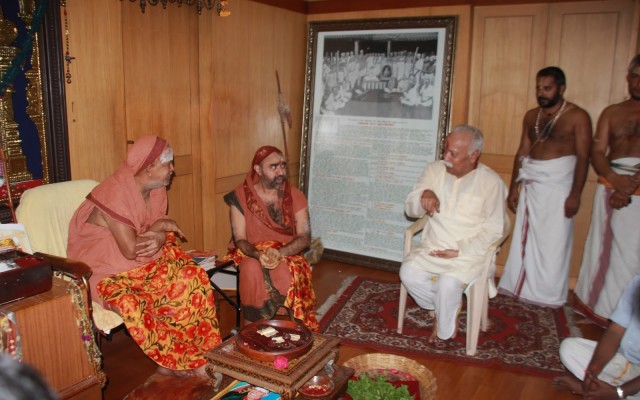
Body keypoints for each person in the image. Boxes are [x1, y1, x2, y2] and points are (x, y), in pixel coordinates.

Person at [67, 135, 221, 378]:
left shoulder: (156, 189)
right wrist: (161, 229)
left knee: (192, 276)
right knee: (137, 300)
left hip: (141, 265)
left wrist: (160, 232)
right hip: (107, 274)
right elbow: (132, 249)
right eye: (168, 164)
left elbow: (154, 230)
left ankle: (198, 353)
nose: (173, 170)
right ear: (149, 168)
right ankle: (173, 361)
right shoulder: (114, 193)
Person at [399, 125, 508, 343]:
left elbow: (495, 229)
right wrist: (423, 195)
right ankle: (444, 307)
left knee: (448, 284)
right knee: (408, 274)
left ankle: (443, 328)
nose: (446, 157)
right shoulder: (434, 170)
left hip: (467, 255)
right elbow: (410, 209)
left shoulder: (491, 182)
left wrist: (461, 250)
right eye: (445, 150)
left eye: (454, 154)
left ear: (473, 155)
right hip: (433, 247)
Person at [498, 66, 592, 308]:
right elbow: (522, 152)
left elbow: (583, 157)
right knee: (524, 240)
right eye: (538, 87)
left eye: (547, 88)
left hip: (559, 188)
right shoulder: (531, 116)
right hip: (531, 185)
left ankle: (548, 295)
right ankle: (520, 289)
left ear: (561, 88)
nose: (541, 92)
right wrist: (513, 187)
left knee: (554, 243)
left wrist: (575, 195)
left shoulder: (578, 117)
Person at [573, 54, 640, 326]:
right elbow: (597, 151)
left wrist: (631, 184)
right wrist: (615, 178)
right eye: (635, 76)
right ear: (628, 77)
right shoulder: (613, 112)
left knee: (631, 254)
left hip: (633, 186)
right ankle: (598, 307)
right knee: (602, 249)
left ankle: (626, 317)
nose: (638, 82)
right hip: (611, 181)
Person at [223, 146, 319, 331]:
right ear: (258, 170)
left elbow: (304, 237)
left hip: (287, 252)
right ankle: (251, 332)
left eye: (283, 165)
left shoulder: (295, 196)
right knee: (251, 270)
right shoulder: (240, 196)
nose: (281, 171)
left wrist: (279, 253)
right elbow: (240, 239)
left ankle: (289, 331)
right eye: (273, 167)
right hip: (251, 252)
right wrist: (258, 255)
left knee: (285, 273)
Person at [552, 275, 640, 399]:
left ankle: (609, 393)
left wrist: (620, 392)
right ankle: (597, 389)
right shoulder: (637, 283)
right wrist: (592, 371)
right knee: (569, 348)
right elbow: (615, 332)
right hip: (626, 363)